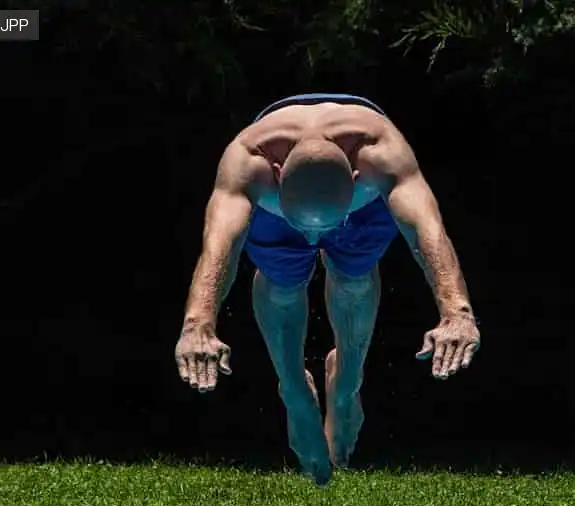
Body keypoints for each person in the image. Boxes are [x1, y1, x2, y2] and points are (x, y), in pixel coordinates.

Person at [174, 93, 481, 485]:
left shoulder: (382, 153)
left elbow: (428, 232)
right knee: (283, 284)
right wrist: (197, 323)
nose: (312, 237)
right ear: (278, 173)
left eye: (322, 227)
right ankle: (294, 390)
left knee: (353, 278)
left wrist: (457, 312)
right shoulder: (248, 161)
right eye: (304, 226)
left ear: (356, 178)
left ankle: (347, 382)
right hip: (280, 207)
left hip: (356, 208)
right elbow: (219, 251)